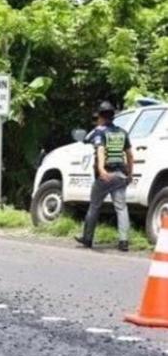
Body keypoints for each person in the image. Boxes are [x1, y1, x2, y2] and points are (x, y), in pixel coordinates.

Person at [78, 101, 134, 251]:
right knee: (121, 208)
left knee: (94, 206)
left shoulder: (99, 132)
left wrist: (102, 169)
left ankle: (87, 239)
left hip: (106, 175)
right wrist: (130, 173)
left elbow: (100, 149)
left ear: (100, 116)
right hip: (121, 174)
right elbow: (129, 155)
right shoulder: (122, 132)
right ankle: (124, 241)